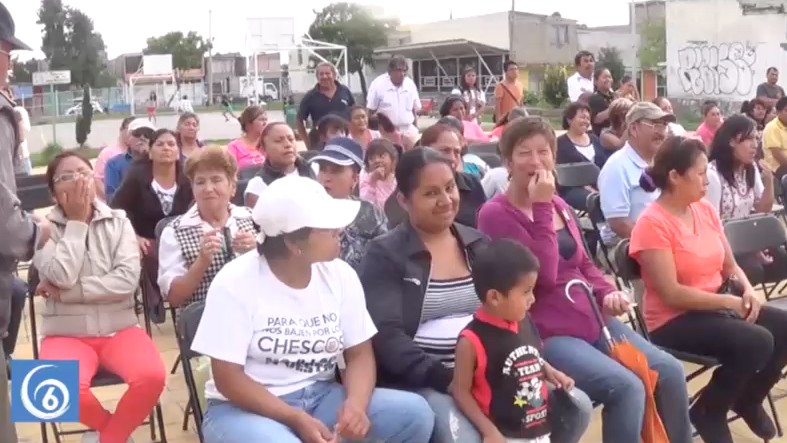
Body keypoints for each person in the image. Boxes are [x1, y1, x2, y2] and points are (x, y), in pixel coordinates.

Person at [477, 117, 692, 443]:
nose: (536, 161)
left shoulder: (559, 205)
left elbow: (584, 264)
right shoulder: (496, 214)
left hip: (590, 316)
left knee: (670, 370)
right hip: (547, 330)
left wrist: (606, 292)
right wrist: (542, 206)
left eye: (544, 152)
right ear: (507, 162)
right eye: (524, 153)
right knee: (626, 387)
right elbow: (542, 275)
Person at [360, 147, 593, 443]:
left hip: (496, 368)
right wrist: (450, 379)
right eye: (431, 193)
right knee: (465, 437)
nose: (446, 200)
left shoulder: (477, 244)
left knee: (575, 407)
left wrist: (537, 365)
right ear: (404, 200)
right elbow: (388, 337)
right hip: (429, 380)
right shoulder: (386, 254)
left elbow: (513, 309)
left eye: (449, 188)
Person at [191, 175, 436, 443]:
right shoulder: (235, 281)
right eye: (327, 227)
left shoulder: (340, 274)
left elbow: (358, 353)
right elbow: (228, 378)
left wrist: (355, 405)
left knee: (415, 414)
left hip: (320, 395)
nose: (339, 230)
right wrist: (294, 418)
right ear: (294, 243)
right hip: (245, 408)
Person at [630, 135, 787, 443]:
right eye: (701, 173)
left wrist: (747, 290)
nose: (707, 179)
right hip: (674, 320)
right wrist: (728, 302)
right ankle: (709, 410)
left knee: (784, 328)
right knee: (756, 341)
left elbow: (730, 265)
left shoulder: (703, 209)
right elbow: (672, 293)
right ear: (675, 176)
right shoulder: (652, 224)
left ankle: (748, 398)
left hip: (717, 305)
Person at [33, 151, 166, 443]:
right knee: (43, 388)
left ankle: (108, 438)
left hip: (120, 328)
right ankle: (113, 431)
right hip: (64, 333)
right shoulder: (41, 227)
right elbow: (61, 275)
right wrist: (77, 223)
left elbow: (126, 281)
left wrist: (68, 294)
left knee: (153, 377)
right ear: (54, 193)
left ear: (95, 180)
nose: (78, 181)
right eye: (66, 177)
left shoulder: (119, 221)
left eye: (83, 173)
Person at [453, 239, 575, 443]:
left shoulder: (524, 320)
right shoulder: (471, 340)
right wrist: (489, 431)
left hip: (538, 428)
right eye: (526, 291)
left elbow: (530, 354)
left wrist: (550, 371)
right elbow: (460, 391)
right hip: (506, 435)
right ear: (494, 297)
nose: (532, 299)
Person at [0, 4, 46, 440]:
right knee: (52, 381)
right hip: (60, 336)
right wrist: (38, 234)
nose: (10, 64)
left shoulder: (111, 225)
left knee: (146, 376)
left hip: (112, 334)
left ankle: (107, 432)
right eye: (7, 53)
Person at [157, 147, 258, 308]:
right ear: (193, 189)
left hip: (254, 311)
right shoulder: (174, 231)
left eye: (216, 180)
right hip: (204, 316)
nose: (208, 188)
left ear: (232, 187)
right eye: (200, 182)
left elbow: (282, 275)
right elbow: (175, 298)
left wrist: (258, 250)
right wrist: (202, 261)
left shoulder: (253, 219)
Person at [597, 101, 673, 247]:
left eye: (664, 125)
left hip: (662, 237)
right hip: (626, 244)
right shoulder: (617, 167)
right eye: (654, 124)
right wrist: (659, 244)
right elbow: (619, 224)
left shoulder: (663, 163)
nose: (661, 132)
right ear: (633, 129)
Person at [384, 124, 487, 228]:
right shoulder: (410, 185)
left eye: (457, 152)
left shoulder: (472, 183)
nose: (452, 158)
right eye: (445, 151)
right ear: (424, 150)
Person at [309, 137, 388, 269]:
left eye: (336, 170)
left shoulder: (371, 214)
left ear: (355, 178)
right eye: (323, 169)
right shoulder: (305, 212)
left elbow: (386, 259)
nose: (326, 178)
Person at [243, 122, 316, 208]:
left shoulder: (316, 169)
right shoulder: (258, 186)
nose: (288, 145)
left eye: (291, 139)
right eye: (278, 141)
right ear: (263, 149)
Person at [296, 62, 355, 148]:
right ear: (317, 77)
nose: (324, 76)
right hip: (320, 144)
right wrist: (308, 143)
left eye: (327, 73)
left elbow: (354, 112)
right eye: (321, 74)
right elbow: (299, 120)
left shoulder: (345, 91)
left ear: (334, 75)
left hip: (344, 140)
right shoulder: (310, 96)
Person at [367, 55, 421, 140]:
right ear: (390, 72)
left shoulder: (410, 84)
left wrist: (416, 127)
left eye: (404, 71)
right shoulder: (378, 84)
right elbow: (370, 110)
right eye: (399, 70)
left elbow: (414, 109)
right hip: (386, 132)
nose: (402, 74)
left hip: (408, 130)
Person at [104, 118, 156, 202]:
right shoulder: (114, 164)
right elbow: (111, 198)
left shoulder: (158, 162)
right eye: (137, 133)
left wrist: (147, 156)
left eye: (147, 134)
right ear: (129, 138)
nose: (142, 137)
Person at [95, 116, 135, 201]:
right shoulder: (107, 153)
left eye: (136, 131)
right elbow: (97, 180)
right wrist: (112, 200)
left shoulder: (141, 154)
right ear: (121, 130)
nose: (132, 134)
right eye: (129, 130)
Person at [359, 138, 398, 211]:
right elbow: (365, 206)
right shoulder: (365, 179)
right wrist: (372, 181)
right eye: (371, 158)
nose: (377, 161)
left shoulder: (398, 180)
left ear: (392, 159)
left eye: (382, 156)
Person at [762, 96, 787, 178]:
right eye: (786, 110)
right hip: (777, 167)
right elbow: (777, 155)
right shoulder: (772, 127)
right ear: (778, 112)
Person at [587, 68, 615, 136]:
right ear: (595, 81)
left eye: (609, 77)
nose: (608, 79)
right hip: (601, 137)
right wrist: (615, 105)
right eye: (605, 77)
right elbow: (596, 120)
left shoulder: (613, 96)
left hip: (615, 134)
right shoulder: (594, 98)